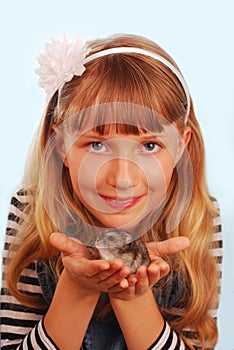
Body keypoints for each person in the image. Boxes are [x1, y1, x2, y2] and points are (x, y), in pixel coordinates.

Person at [0, 33, 222, 350]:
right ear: (61, 145)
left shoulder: (198, 221)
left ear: (180, 147)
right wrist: (76, 288)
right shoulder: (31, 212)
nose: (122, 179)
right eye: (97, 145)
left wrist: (132, 297)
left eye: (149, 145)